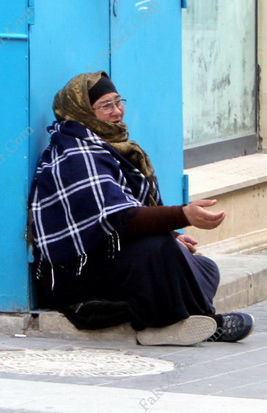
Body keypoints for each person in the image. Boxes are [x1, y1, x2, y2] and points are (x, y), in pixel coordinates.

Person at [30, 71, 253, 346]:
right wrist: (182, 215)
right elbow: (119, 218)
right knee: (158, 249)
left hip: (109, 256)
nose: (117, 111)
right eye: (105, 106)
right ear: (82, 111)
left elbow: (129, 210)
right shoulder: (76, 154)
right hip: (74, 274)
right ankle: (199, 323)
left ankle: (148, 315)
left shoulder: (112, 147)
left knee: (203, 266)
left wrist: (175, 236)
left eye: (118, 101)